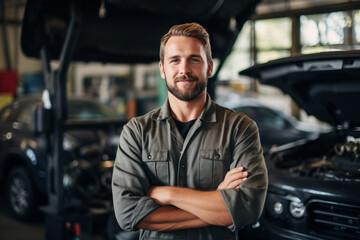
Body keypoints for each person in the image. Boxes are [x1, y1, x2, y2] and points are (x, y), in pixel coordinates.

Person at [112, 22, 268, 240]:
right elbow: (127, 213)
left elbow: (247, 209)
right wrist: (218, 205)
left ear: (209, 67)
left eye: (194, 59)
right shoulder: (137, 131)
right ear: (162, 69)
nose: (184, 70)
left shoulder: (240, 128)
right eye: (175, 60)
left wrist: (165, 193)